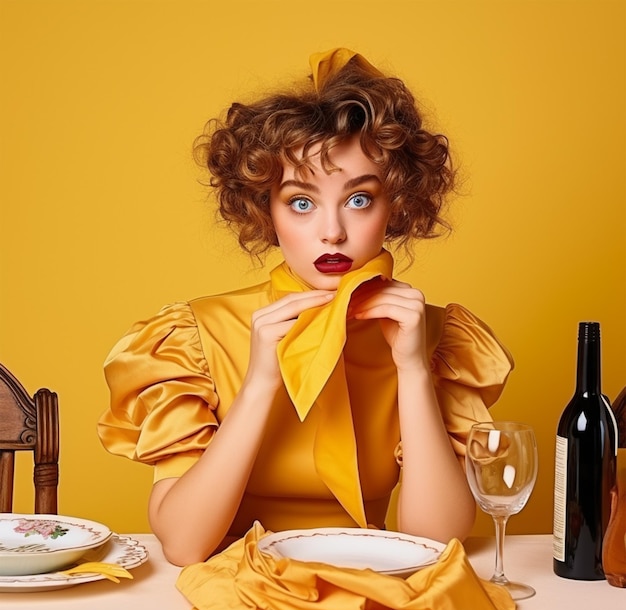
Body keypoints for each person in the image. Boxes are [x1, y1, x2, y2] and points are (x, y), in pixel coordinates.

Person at [98, 48, 514, 567]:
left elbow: (436, 543)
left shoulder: (436, 338)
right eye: (301, 202)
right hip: (237, 590)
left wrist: (411, 369)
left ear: (398, 204)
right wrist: (259, 384)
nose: (333, 231)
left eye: (359, 199)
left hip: (375, 588)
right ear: (265, 211)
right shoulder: (196, 338)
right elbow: (184, 545)